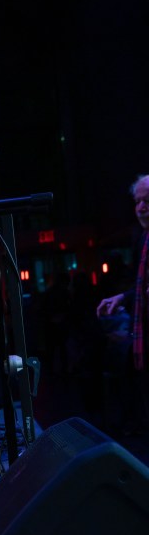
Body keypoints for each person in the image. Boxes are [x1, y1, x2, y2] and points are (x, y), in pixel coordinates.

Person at [97, 174, 149, 416]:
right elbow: (141, 288)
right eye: (138, 201)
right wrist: (122, 298)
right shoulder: (142, 238)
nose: (141, 208)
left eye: (147, 201)